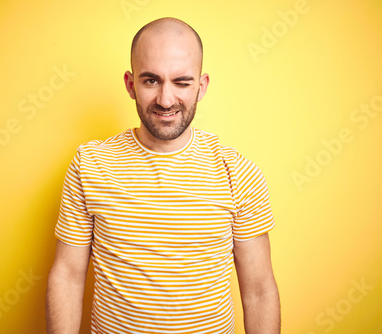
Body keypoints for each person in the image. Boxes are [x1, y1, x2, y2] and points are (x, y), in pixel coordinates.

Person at [46, 17, 280, 334]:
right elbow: (68, 276)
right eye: (151, 81)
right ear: (130, 84)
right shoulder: (90, 164)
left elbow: (259, 290)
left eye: (182, 82)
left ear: (202, 85)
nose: (166, 100)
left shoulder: (238, 171)